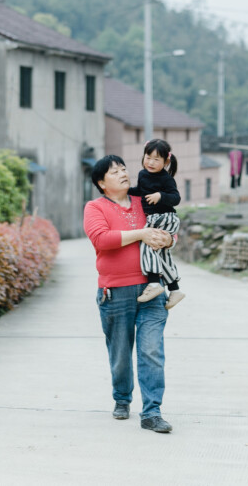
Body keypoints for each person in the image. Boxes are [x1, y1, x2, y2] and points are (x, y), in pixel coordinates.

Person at [83, 154, 174, 433]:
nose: (123, 173)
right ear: (101, 182)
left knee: (151, 351)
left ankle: (152, 412)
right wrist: (141, 233)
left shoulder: (143, 201)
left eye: (124, 169)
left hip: (152, 290)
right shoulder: (95, 207)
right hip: (114, 292)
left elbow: (167, 222)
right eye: (115, 172)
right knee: (121, 353)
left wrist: (169, 238)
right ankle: (122, 398)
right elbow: (102, 239)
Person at [129, 139, 185, 310]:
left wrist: (160, 195)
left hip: (165, 217)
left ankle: (154, 283)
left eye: (156, 159)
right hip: (155, 218)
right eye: (148, 157)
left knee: (148, 244)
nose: (151, 163)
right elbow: (140, 191)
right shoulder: (142, 174)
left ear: (166, 162)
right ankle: (175, 289)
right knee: (161, 254)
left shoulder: (166, 179)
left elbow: (176, 198)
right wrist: (124, 191)